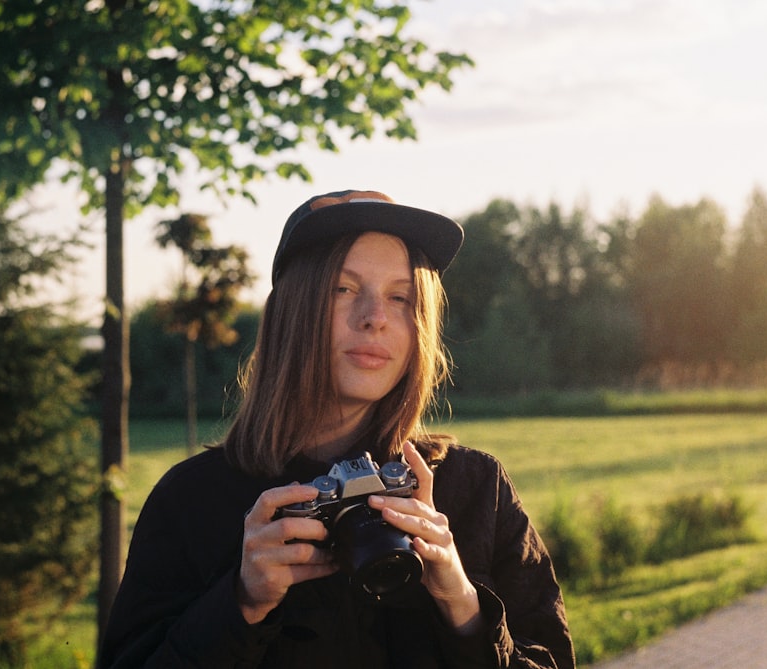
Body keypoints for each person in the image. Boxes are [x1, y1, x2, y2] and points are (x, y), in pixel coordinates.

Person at [98, 190, 575, 668]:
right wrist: (239, 604)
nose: (375, 318)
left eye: (401, 297)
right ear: (290, 311)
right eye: (342, 289)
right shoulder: (192, 500)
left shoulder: (474, 490)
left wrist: (465, 607)